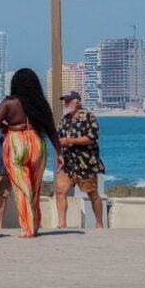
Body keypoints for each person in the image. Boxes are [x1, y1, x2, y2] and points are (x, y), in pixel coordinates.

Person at [0, 68, 63, 238]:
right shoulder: (40, 103)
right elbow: (51, 130)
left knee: (22, 188)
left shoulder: (9, 103)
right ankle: (35, 224)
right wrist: (60, 153)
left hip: (16, 142)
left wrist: (6, 127)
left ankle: (28, 227)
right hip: (37, 142)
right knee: (35, 188)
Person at [55, 91, 106, 229]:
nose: (66, 103)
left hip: (86, 163)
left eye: (69, 100)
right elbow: (58, 140)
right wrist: (59, 156)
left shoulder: (88, 117)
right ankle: (62, 224)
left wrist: (71, 140)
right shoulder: (64, 120)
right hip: (68, 164)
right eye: (65, 100)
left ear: (77, 101)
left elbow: (92, 137)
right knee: (60, 192)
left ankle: (99, 223)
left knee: (92, 193)